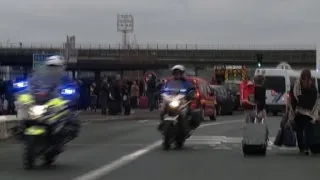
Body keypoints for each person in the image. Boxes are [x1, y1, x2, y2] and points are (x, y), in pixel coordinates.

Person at [288, 69, 318, 155]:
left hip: (299, 111)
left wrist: (292, 111)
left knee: (299, 130)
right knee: (309, 130)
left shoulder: (296, 85)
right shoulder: (313, 86)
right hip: (310, 112)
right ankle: (307, 147)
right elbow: (315, 99)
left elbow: (293, 99)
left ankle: (302, 147)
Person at [158, 65, 196, 130]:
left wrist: (191, 92)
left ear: (181, 73)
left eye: (178, 73)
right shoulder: (169, 82)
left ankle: (186, 124)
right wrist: (161, 93)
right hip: (170, 98)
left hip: (181, 99)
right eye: (175, 73)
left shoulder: (186, 82)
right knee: (162, 107)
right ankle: (162, 122)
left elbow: (191, 89)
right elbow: (163, 89)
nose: (177, 74)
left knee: (186, 108)